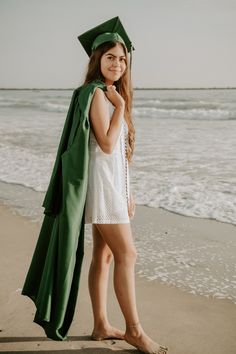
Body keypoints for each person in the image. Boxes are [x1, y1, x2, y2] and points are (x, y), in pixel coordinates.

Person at [78, 17, 168, 354]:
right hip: (102, 188)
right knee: (127, 253)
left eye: (123, 58)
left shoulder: (110, 95)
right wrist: (120, 107)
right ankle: (134, 330)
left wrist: (129, 192)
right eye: (110, 57)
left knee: (103, 256)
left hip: (112, 186)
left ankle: (101, 325)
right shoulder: (99, 96)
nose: (118, 63)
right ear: (97, 60)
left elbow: (120, 156)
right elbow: (105, 143)